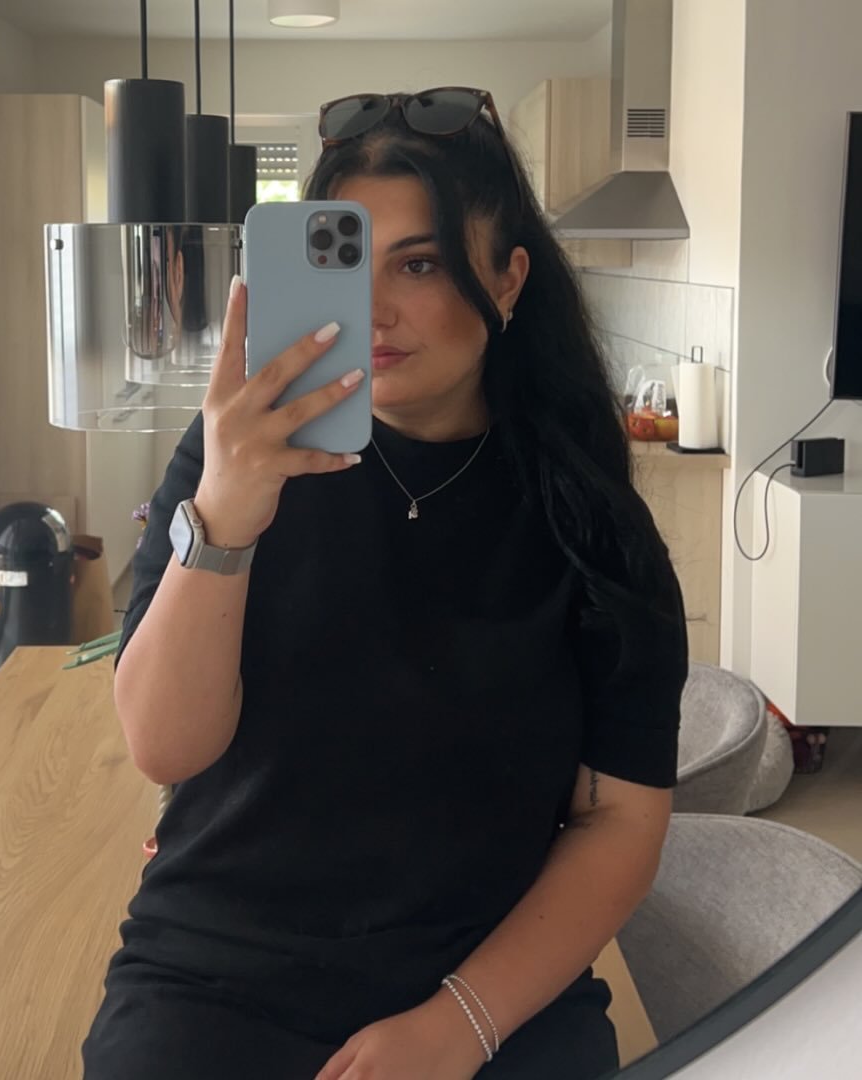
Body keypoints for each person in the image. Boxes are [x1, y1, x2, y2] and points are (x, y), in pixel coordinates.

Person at [81, 87, 689, 1080]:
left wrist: (459, 1025)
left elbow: (621, 820)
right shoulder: (236, 458)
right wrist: (227, 514)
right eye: (345, 262)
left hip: (490, 985)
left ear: (508, 279)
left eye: (420, 263)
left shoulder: (590, 524)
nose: (372, 309)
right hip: (217, 975)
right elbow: (165, 746)